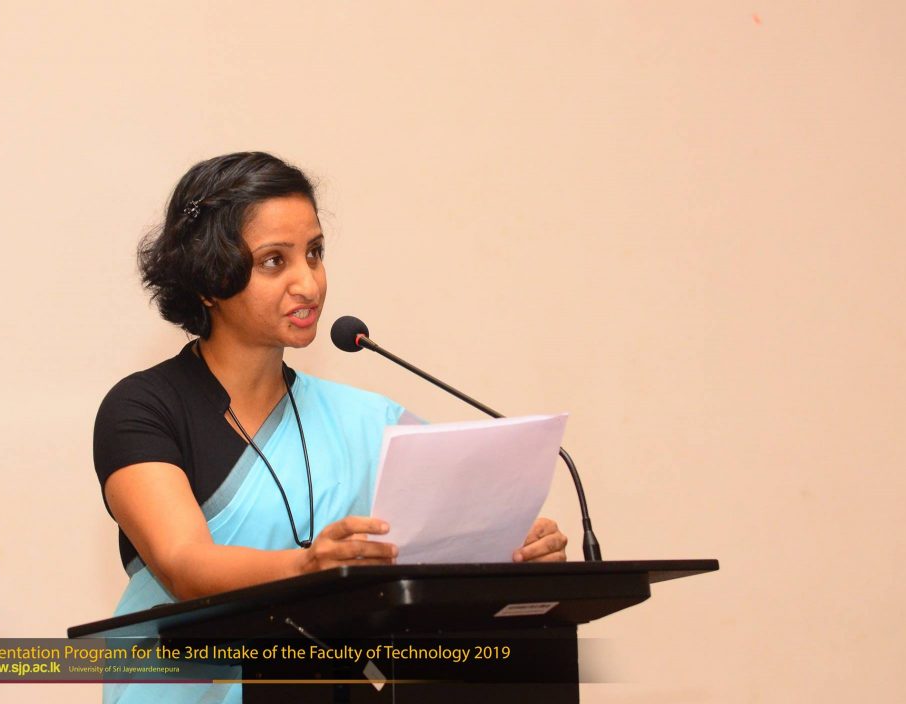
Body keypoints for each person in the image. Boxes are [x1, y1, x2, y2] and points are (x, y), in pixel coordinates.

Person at [92, 152, 568, 703]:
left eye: (314, 253)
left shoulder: (371, 421)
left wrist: (512, 546)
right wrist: (309, 565)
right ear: (208, 279)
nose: (309, 283)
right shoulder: (143, 409)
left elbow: (446, 537)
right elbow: (183, 564)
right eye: (275, 261)